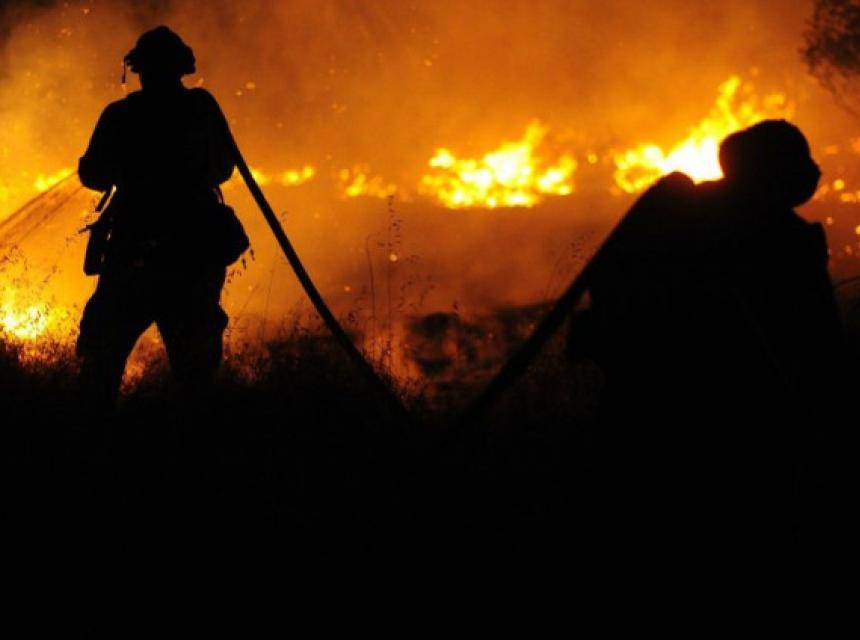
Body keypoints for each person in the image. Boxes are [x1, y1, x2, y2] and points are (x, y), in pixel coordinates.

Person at [572, 120, 845, 556]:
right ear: (772, 172)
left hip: (654, 418)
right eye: (800, 161)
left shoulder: (680, 214)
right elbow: (821, 345)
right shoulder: (784, 239)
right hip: (719, 426)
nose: (814, 171)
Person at [76, 26, 237, 410]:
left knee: (103, 359)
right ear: (182, 67)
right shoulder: (200, 108)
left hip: (134, 252)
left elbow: (93, 174)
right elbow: (224, 167)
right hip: (193, 252)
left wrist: (126, 169)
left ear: (138, 69)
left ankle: (90, 435)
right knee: (195, 368)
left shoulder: (121, 115)